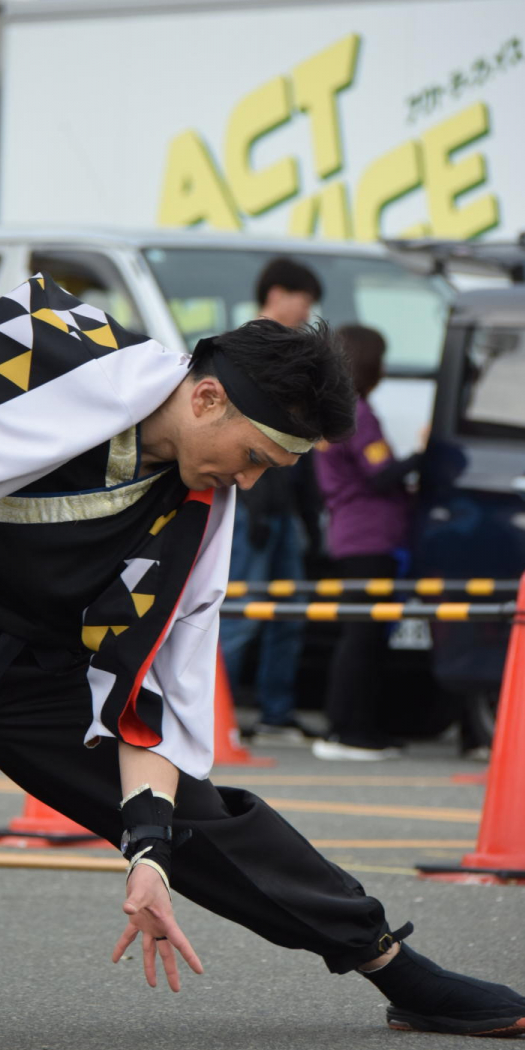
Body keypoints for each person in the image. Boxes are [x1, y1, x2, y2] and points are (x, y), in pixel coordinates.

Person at [0, 274, 525, 1039]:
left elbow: (149, 690)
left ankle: (391, 966)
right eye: (254, 456)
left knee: (195, 824)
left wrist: (148, 852)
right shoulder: (63, 351)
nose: (248, 480)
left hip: (40, 672)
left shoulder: (200, 511)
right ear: (208, 397)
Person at [220, 258, 323, 744]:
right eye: (305, 301)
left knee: (289, 613)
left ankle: (276, 714)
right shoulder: (245, 347)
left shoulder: (296, 353)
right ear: (279, 293)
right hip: (250, 506)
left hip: (285, 509)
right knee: (241, 613)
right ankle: (216, 712)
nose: (307, 312)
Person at [312, 325, 423, 762]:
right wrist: (423, 454)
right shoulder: (356, 413)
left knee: (367, 634)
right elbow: (380, 474)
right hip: (368, 536)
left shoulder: (334, 412)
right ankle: (345, 730)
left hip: (353, 534)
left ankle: (364, 727)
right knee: (363, 635)